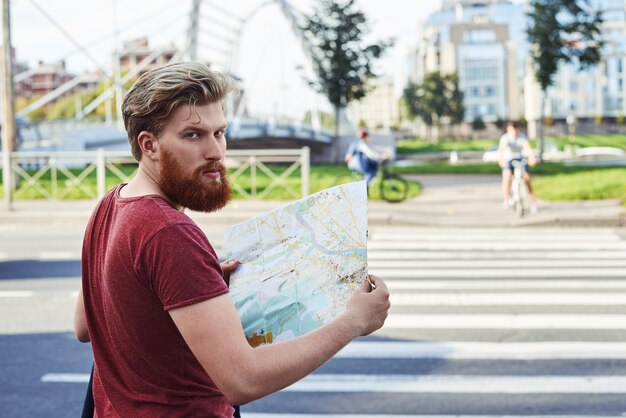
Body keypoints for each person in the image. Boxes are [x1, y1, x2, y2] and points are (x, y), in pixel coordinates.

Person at [73, 62, 390, 418]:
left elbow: (87, 326)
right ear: (150, 144)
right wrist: (353, 322)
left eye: (219, 133)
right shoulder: (168, 232)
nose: (216, 152)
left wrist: (193, 289)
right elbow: (243, 381)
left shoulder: (110, 205)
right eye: (193, 135)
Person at [498, 121, 538, 213]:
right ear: (508, 129)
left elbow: (528, 148)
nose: (514, 131)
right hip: (509, 160)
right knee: (507, 175)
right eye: (512, 129)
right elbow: (501, 151)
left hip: (520, 159)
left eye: (515, 129)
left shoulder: (522, 137)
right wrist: (501, 160)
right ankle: (506, 198)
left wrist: (532, 158)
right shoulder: (505, 138)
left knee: (526, 178)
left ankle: (532, 200)